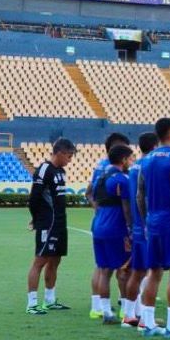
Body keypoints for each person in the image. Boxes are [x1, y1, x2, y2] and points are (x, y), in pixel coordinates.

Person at [137, 118, 170, 338]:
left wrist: (145, 220)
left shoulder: (146, 160)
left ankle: (148, 323)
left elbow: (140, 194)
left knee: (154, 272)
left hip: (153, 220)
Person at [26, 138, 75, 314]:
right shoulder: (44, 169)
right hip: (47, 222)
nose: (70, 160)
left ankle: (50, 299)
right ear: (60, 153)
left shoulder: (61, 171)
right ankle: (31, 304)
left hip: (61, 223)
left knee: (55, 260)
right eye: (69, 156)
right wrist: (35, 219)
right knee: (40, 261)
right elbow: (34, 198)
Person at [86, 132, 130, 319]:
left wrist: (99, 212)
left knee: (104, 269)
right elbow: (127, 207)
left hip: (98, 225)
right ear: (123, 158)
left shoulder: (100, 177)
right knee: (123, 268)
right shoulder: (121, 179)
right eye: (130, 157)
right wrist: (129, 228)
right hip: (115, 227)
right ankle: (126, 311)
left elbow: (90, 194)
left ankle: (104, 311)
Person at [122, 132, 158, 327]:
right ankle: (145, 318)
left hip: (136, 225)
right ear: (154, 147)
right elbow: (143, 197)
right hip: (146, 227)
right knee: (149, 272)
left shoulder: (134, 167)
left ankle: (130, 315)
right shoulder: (148, 166)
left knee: (138, 272)